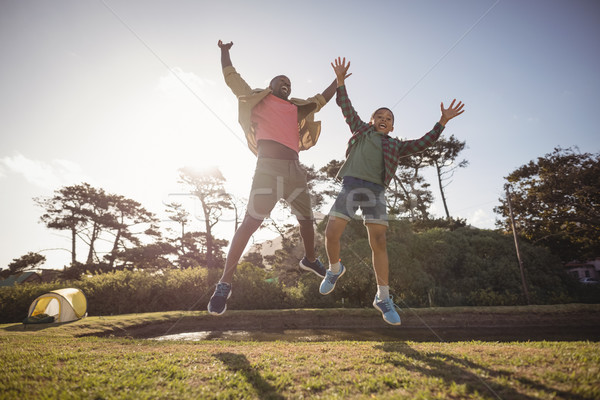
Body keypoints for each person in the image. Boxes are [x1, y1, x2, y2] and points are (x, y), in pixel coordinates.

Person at [321, 57, 465, 325]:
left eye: (388, 118)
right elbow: (346, 107)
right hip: (351, 185)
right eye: (379, 116)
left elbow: (424, 142)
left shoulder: (395, 146)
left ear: (393, 126)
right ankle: (334, 269)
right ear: (372, 120)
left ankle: (383, 297)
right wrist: (340, 82)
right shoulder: (361, 131)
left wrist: (442, 122)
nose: (383, 120)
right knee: (331, 232)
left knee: (379, 242)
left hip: (375, 191)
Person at [208, 40, 339, 315]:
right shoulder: (258, 99)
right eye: (282, 81)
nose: (287, 85)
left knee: (307, 221)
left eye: (289, 83)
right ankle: (224, 284)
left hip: (294, 169)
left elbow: (321, 100)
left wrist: (337, 81)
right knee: (249, 224)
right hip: (267, 168)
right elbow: (232, 79)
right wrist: (225, 51)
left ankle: (310, 259)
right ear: (271, 84)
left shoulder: (296, 108)